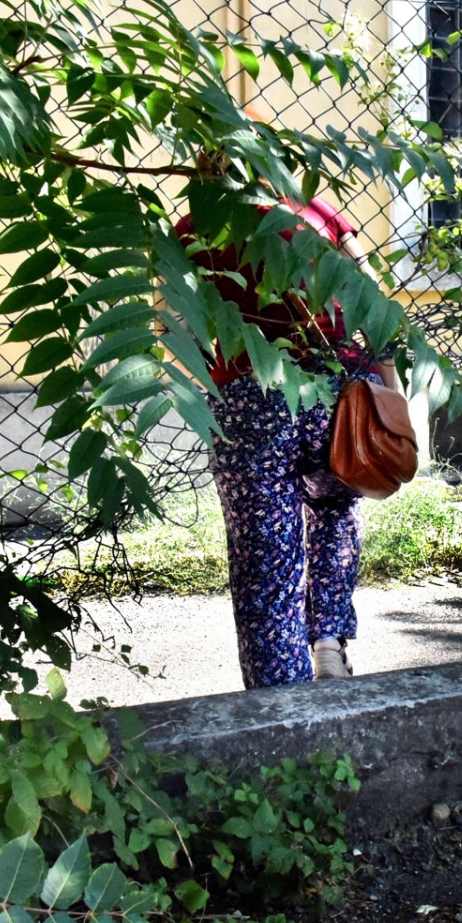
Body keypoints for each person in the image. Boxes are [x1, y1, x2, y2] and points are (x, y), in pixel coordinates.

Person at [176, 176, 400, 688]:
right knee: (335, 510)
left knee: (264, 562)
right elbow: (372, 302)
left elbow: (173, 322)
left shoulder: (193, 227)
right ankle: (327, 641)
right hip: (340, 395)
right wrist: (390, 392)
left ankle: (281, 705)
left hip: (250, 396)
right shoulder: (314, 212)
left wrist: (215, 385)